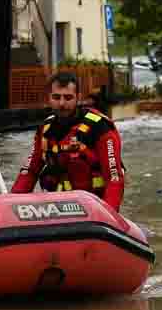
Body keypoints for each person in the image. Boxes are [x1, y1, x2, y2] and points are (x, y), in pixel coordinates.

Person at [12, 71, 126, 211]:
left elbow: (114, 177)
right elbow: (30, 170)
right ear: (49, 98)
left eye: (68, 97)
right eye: (56, 97)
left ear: (78, 98)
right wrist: (11, 204)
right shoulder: (45, 129)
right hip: (57, 207)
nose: (61, 103)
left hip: (94, 208)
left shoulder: (100, 126)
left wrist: (110, 215)